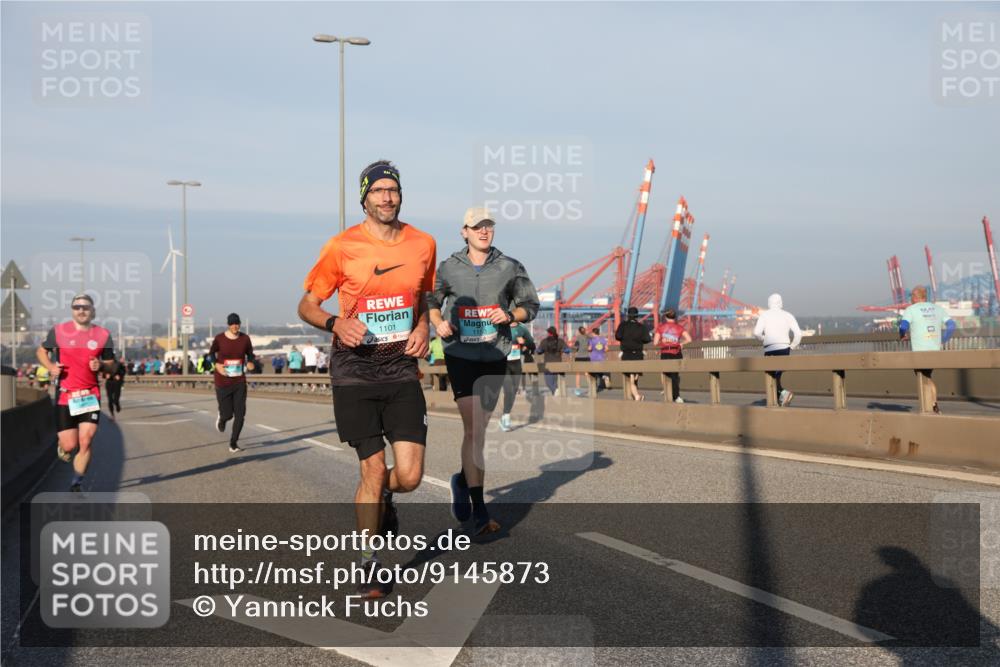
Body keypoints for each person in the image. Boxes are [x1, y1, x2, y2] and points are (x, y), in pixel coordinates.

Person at [298, 159, 436, 599]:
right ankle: (368, 564)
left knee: (410, 476)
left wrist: (424, 327)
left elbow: (426, 295)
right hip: (355, 371)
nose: (387, 197)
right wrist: (334, 323)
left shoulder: (423, 243)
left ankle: (383, 502)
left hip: (400, 370)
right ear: (364, 197)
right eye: (377, 191)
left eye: (392, 190)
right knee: (372, 468)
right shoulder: (342, 247)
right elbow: (306, 305)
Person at [428, 206, 539, 535]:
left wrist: (511, 316)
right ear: (464, 231)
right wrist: (438, 323)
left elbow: (530, 304)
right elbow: (430, 299)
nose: (483, 231)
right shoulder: (449, 267)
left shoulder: (509, 266)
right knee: (474, 428)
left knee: (480, 429)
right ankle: (480, 510)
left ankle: (461, 480)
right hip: (460, 353)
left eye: (488, 226)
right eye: (477, 227)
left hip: (494, 354)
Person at [35, 294, 116, 492]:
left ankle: (77, 481)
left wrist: (102, 364)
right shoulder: (59, 331)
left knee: (86, 440)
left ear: (93, 311)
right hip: (66, 395)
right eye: (77, 306)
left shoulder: (103, 335)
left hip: (90, 394)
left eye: (85, 307)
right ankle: (64, 447)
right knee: (70, 445)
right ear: (72, 310)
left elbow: (113, 366)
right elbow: (41, 351)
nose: (81, 310)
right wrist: (51, 367)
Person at [899, 285, 955, 414]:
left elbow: (903, 326)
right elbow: (951, 326)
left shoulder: (911, 309)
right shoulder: (937, 308)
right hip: (935, 350)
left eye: (911, 296)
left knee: (923, 378)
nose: (910, 298)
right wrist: (943, 340)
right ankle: (934, 404)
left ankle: (930, 407)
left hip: (920, 352)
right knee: (928, 377)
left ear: (915, 296)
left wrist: (902, 335)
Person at [209, 313, 256, 453]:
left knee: (240, 414)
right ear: (228, 325)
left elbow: (250, 353)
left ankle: (233, 443)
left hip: (239, 380)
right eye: (232, 324)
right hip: (222, 381)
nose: (235, 326)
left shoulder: (245, 339)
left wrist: (251, 362)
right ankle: (222, 418)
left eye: (237, 324)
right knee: (228, 414)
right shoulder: (219, 339)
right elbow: (211, 353)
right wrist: (216, 365)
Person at [753, 293, 802, 407]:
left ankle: (783, 394)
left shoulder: (764, 315)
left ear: (769, 303)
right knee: (777, 375)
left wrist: (763, 338)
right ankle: (780, 397)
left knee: (771, 376)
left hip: (770, 349)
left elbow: (756, 333)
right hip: (784, 349)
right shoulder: (788, 315)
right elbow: (798, 334)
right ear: (781, 303)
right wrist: (792, 346)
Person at [653, 308, 692, 403]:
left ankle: (667, 394)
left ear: (666, 317)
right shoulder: (679, 328)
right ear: (675, 317)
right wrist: (681, 343)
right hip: (676, 352)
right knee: (675, 375)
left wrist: (662, 344)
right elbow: (689, 339)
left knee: (666, 374)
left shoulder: (660, 328)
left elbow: (655, 343)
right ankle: (677, 396)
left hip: (665, 352)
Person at [499, 320, 533, 429]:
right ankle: (506, 418)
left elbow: (532, 344)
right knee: (508, 390)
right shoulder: (501, 326)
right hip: (504, 363)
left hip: (516, 363)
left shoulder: (522, 328)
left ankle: (505, 414)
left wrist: (524, 343)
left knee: (513, 391)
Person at [615, 306, 651, 401]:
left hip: (626, 353)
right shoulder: (641, 327)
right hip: (638, 354)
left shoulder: (623, 325)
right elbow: (647, 339)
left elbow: (617, 336)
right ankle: (635, 394)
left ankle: (635, 396)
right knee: (635, 376)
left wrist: (625, 338)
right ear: (637, 316)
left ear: (628, 315)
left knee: (629, 376)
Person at [536, 326, 568, 396]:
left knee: (549, 383)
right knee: (555, 382)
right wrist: (563, 351)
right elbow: (567, 350)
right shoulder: (560, 341)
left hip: (548, 364)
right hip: (558, 364)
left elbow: (539, 351)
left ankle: (555, 391)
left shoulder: (544, 341)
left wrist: (538, 350)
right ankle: (555, 394)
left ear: (549, 333)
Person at [104, 355, 127, 421]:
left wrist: (119, 376)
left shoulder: (119, 364)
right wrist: (105, 375)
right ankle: (112, 415)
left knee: (116, 399)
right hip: (109, 384)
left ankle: (117, 405)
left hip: (117, 383)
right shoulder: (106, 365)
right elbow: (104, 374)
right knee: (110, 400)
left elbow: (123, 372)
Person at [588, 327, 609, 392]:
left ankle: (594, 388)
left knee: (593, 373)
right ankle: (604, 376)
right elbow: (607, 349)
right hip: (601, 357)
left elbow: (589, 348)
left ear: (593, 333)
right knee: (599, 371)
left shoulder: (591, 340)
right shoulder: (603, 340)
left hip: (593, 358)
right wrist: (602, 350)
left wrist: (590, 349)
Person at [572, 326, 591, 395]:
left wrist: (574, 347)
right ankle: (590, 387)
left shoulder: (578, 338)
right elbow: (589, 347)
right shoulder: (588, 338)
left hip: (579, 357)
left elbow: (576, 347)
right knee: (587, 373)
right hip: (586, 357)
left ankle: (578, 389)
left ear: (579, 331)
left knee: (578, 373)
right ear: (585, 331)